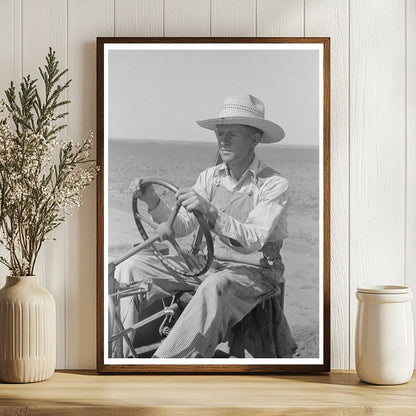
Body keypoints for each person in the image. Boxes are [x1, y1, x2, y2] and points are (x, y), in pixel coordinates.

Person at [114, 93, 297, 358]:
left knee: (214, 285)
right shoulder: (210, 177)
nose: (223, 140)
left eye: (232, 134)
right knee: (130, 267)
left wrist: (211, 210)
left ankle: (166, 366)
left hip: (254, 271)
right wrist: (153, 200)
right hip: (207, 263)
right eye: (220, 133)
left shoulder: (273, 185)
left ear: (254, 139)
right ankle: (119, 356)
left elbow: (254, 239)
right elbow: (180, 226)